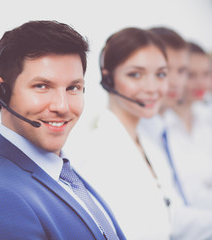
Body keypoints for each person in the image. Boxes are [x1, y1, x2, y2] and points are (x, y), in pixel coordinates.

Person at [0, 20, 125, 240]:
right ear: (3, 91)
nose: (62, 107)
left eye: (73, 88)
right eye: (42, 86)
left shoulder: (60, 172)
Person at [74, 27, 172, 240]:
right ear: (108, 79)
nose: (152, 87)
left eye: (161, 74)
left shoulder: (149, 141)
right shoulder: (95, 152)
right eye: (135, 74)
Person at [138, 27, 212, 239]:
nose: (175, 81)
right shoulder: (151, 131)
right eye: (165, 71)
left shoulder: (160, 127)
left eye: (182, 71)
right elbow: (170, 214)